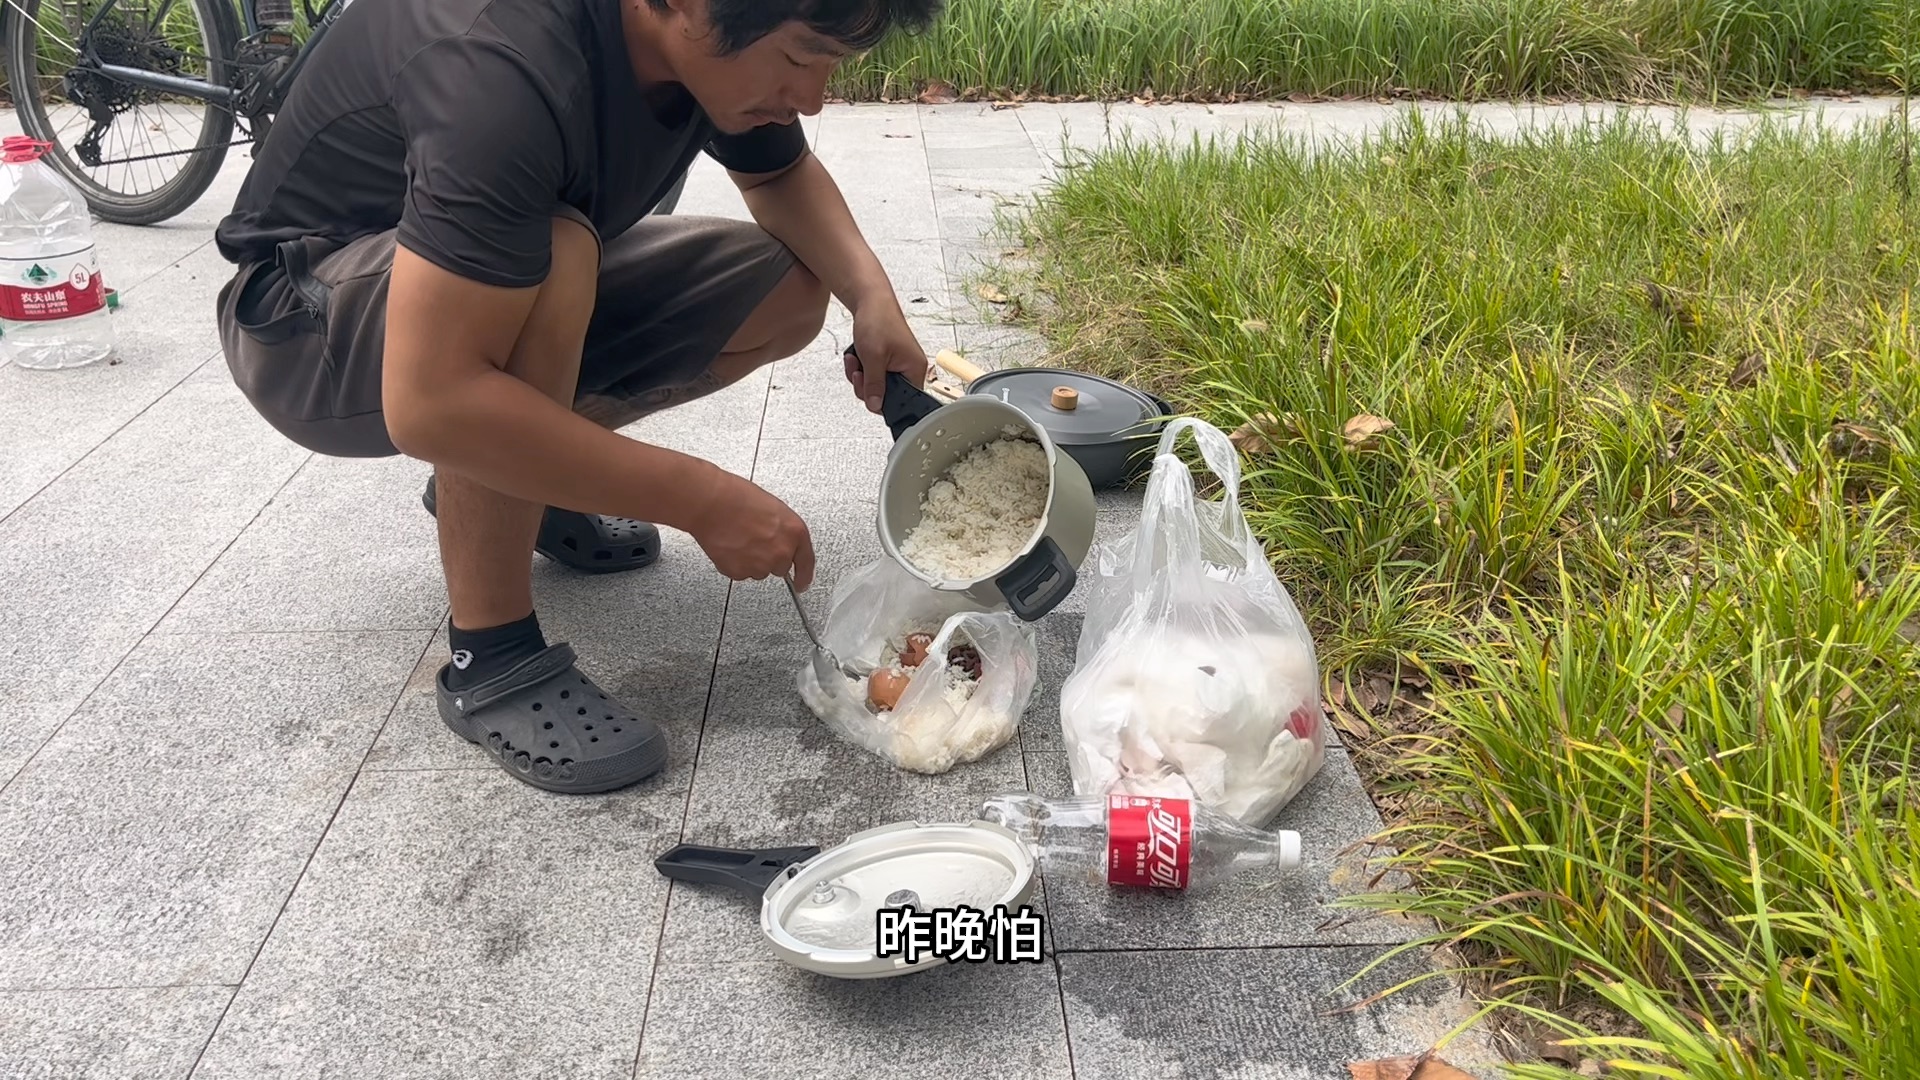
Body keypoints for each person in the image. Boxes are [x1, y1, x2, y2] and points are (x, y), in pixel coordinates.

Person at [211, 0, 944, 795]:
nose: (812, 99)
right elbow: (433, 402)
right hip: (301, 324)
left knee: (789, 288)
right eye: (802, 60)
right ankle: (489, 653)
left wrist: (871, 299)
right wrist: (699, 498)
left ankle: (525, 479)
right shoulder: (499, 63)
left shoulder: (703, 44)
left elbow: (779, 173)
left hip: (483, 285)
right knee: (556, 257)